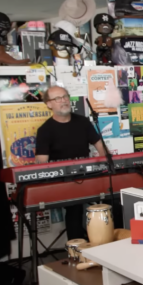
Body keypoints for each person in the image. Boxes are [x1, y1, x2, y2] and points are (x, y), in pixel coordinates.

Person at [36, 86, 106, 239]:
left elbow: (101, 147)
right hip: (63, 181)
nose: (64, 101)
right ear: (49, 104)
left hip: (88, 176)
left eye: (65, 96)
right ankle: (77, 250)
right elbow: (42, 163)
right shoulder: (45, 130)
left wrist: (103, 167)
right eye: (58, 98)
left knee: (113, 198)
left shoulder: (83, 122)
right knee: (74, 208)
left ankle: (109, 242)